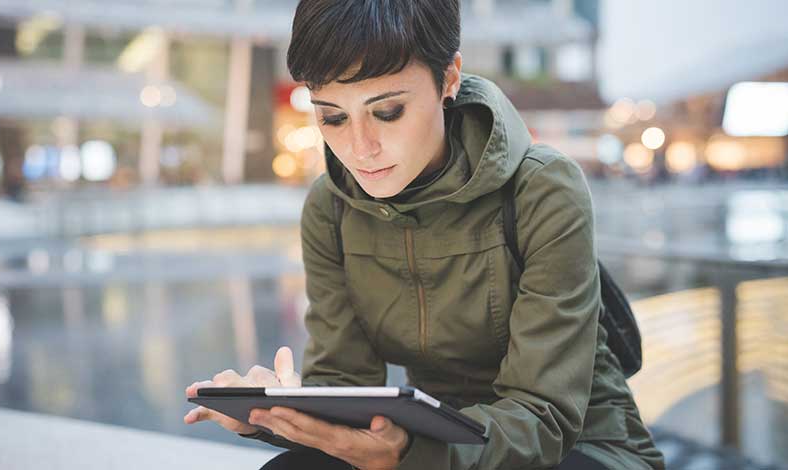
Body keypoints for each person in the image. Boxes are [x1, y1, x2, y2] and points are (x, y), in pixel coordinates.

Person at [185, 1, 665, 468]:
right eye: (332, 116)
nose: (360, 147)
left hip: (580, 445)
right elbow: (345, 384)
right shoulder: (330, 207)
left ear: (449, 78)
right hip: (432, 438)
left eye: (388, 111)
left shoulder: (543, 188)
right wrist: (275, 413)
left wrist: (410, 453)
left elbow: (544, 418)